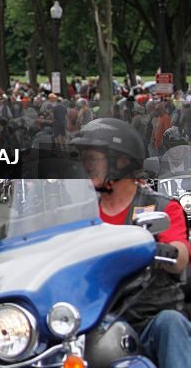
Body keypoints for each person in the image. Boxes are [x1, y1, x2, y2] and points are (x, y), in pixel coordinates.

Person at [72, 118, 191, 367]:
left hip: (145, 316)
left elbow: (180, 256)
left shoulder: (162, 207)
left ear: (121, 161)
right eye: (83, 158)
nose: (85, 165)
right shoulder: (79, 210)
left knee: (171, 322)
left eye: (93, 158)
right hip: (88, 314)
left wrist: (158, 249)